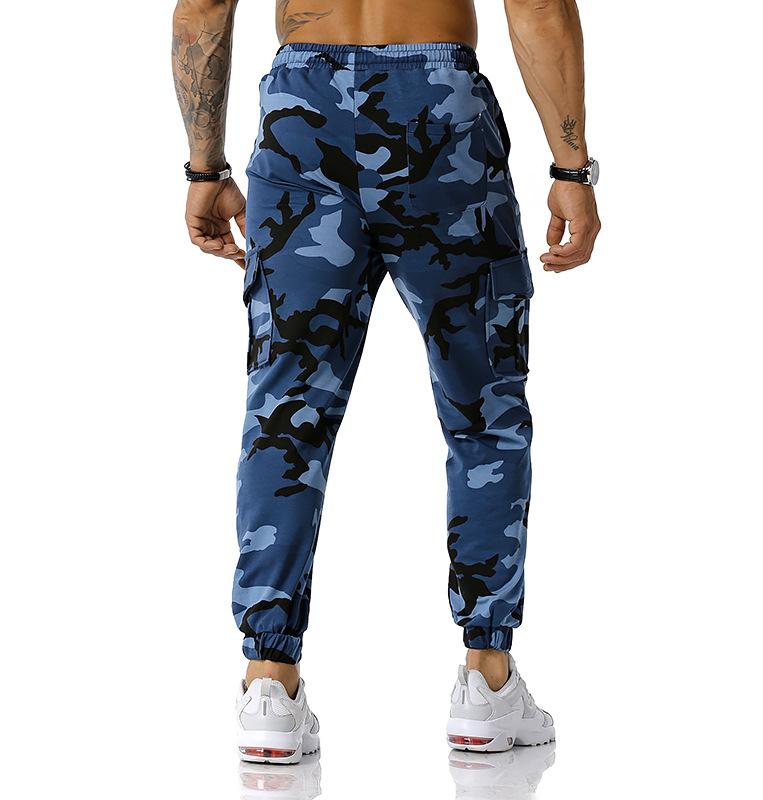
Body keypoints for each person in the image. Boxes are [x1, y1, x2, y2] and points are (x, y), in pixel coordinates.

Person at [172, 0, 600, 764]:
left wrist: (205, 167)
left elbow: (203, 6)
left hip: (302, 118)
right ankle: (487, 681)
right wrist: (572, 168)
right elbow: (536, 3)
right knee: (484, 403)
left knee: (286, 409)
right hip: (440, 112)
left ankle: (269, 683)